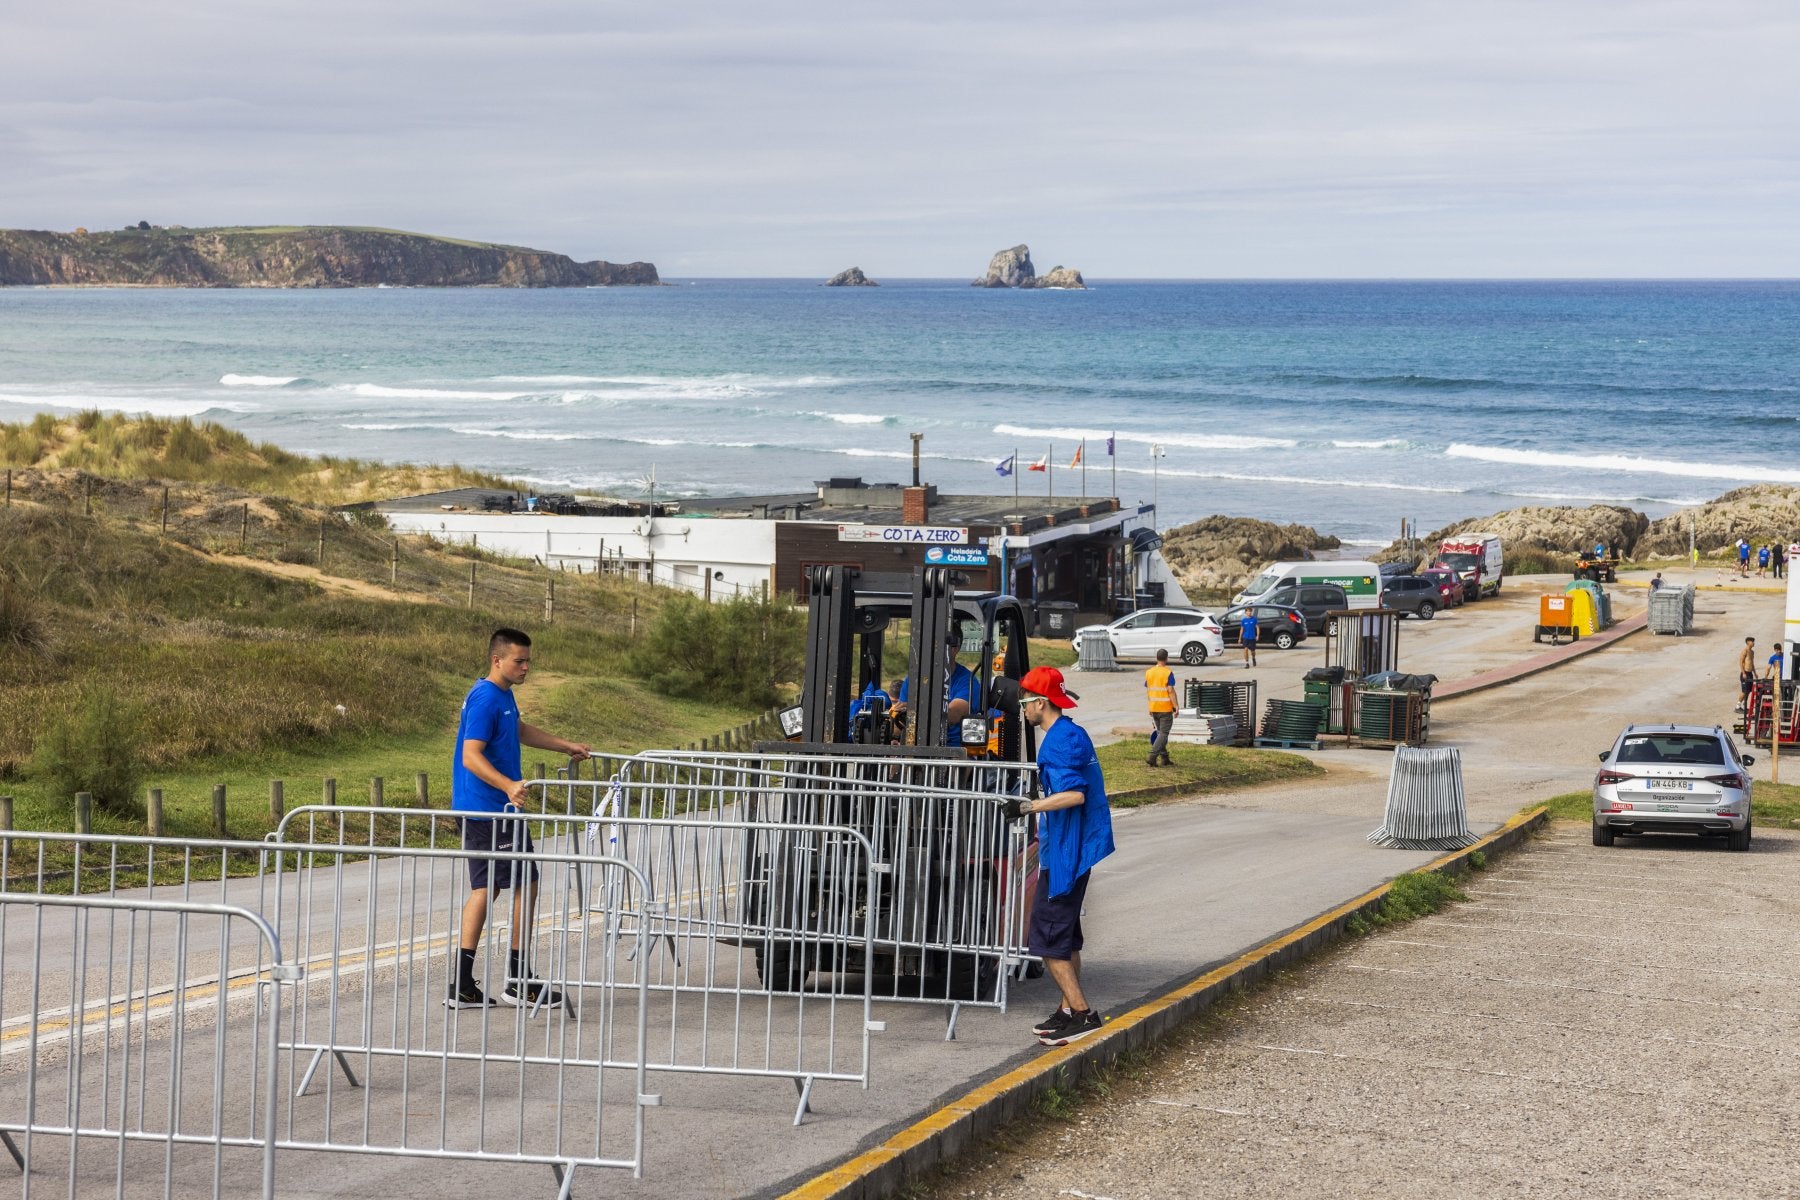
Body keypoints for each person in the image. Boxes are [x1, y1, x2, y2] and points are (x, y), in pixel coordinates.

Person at [449, 627, 592, 1010]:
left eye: (528, 660)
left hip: (487, 809)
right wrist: (509, 786)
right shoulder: (485, 698)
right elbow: (470, 755)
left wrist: (566, 745)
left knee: (489, 888)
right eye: (519, 660)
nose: (526, 667)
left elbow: (518, 730)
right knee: (524, 883)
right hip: (490, 809)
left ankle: (464, 986)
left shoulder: (502, 696)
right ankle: (518, 980)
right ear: (497, 660)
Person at [1003, 667, 1114, 1047]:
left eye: (1023, 703)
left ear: (1039, 702)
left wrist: (1027, 807)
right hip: (1070, 846)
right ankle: (1068, 1010)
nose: (1022, 710)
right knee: (1066, 939)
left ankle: (1083, 1015)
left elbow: (1074, 795)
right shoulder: (1069, 733)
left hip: (1068, 851)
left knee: (1047, 940)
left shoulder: (1060, 741)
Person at [1144, 648, 1177, 767]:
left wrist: (1150, 707)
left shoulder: (1149, 672)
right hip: (1165, 708)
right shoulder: (1168, 672)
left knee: (1159, 733)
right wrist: (1176, 706)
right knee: (1163, 734)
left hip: (1154, 707)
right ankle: (1152, 756)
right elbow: (1171, 691)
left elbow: (1149, 690)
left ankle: (1164, 758)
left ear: (1156, 658)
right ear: (1167, 658)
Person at [1739, 636, 1758, 712]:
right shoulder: (1745, 650)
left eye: (1754, 641)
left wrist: (1755, 673)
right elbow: (1741, 662)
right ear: (1748, 642)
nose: (1753, 643)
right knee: (1744, 691)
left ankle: (1744, 705)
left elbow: (1752, 663)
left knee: (1749, 690)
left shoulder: (1752, 652)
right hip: (1745, 673)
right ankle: (1737, 706)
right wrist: (1743, 673)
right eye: (1752, 641)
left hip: (1750, 673)